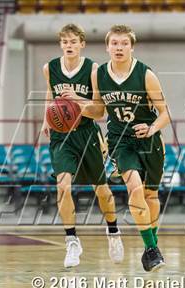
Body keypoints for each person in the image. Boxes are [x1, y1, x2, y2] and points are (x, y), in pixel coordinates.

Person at [41, 24, 124, 268]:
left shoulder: (93, 69)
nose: (68, 45)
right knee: (63, 186)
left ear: (81, 44)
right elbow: (49, 93)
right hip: (61, 137)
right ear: (61, 45)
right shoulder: (50, 68)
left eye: (73, 41)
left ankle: (113, 232)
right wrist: (46, 118)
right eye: (64, 41)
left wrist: (76, 99)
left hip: (87, 133)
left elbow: (99, 110)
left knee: (102, 190)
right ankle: (72, 241)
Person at [90, 24, 171, 272]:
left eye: (124, 43)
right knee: (134, 189)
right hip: (120, 141)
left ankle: (151, 247)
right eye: (114, 43)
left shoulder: (146, 74)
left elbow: (165, 113)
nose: (119, 47)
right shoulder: (99, 74)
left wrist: (152, 128)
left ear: (131, 47)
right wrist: (75, 107)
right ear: (107, 47)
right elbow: (98, 109)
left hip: (149, 140)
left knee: (151, 196)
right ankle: (152, 249)